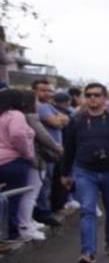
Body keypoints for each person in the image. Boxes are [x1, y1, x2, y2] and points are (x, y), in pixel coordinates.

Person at [60, 83, 109, 263]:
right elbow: (69, 148)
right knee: (87, 209)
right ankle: (88, 251)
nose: (92, 98)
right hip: (85, 171)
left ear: (104, 98)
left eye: (96, 95)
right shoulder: (77, 121)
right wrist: (65, 173)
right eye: (88, 95)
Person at [20, 90, 63, 241]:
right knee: (31, 193)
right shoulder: (30, 117)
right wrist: (58, 148)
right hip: (34, 159)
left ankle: (27, 222)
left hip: (25, 159)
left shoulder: (15, 116)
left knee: (28, 193)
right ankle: (25, 225)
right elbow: (44, 136)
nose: (38, 105)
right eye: (36, 101)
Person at [0, 88, 36, 242]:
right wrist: (28, 154)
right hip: (12, 161)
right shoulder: (16, 115)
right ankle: (9, 234)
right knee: (12, 199)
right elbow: (17, 135)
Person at [32, 79, 66, 226]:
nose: (47, 93)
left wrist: (59, 119)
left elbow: (67, 119)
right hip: (45, 151)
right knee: (44, 182)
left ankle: (46, 210)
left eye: (49, 90)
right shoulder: (40, 107)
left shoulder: (49, 106)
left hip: (53, 150)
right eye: (43, 90)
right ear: (34, 91)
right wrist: (59, 120)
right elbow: (57, 122)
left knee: (49, 181)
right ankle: (43, 213)